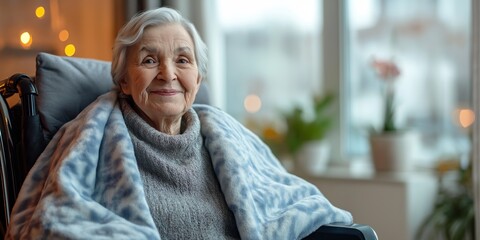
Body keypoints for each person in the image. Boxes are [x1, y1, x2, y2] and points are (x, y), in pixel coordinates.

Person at [5, 7, 352, 239]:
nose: (168, 74)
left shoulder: (228, 139)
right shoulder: (89, 140)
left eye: (182, 60)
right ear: (124, 80)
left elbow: (287, 205)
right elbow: (54, 223)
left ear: (198, 79)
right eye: (149, 60)